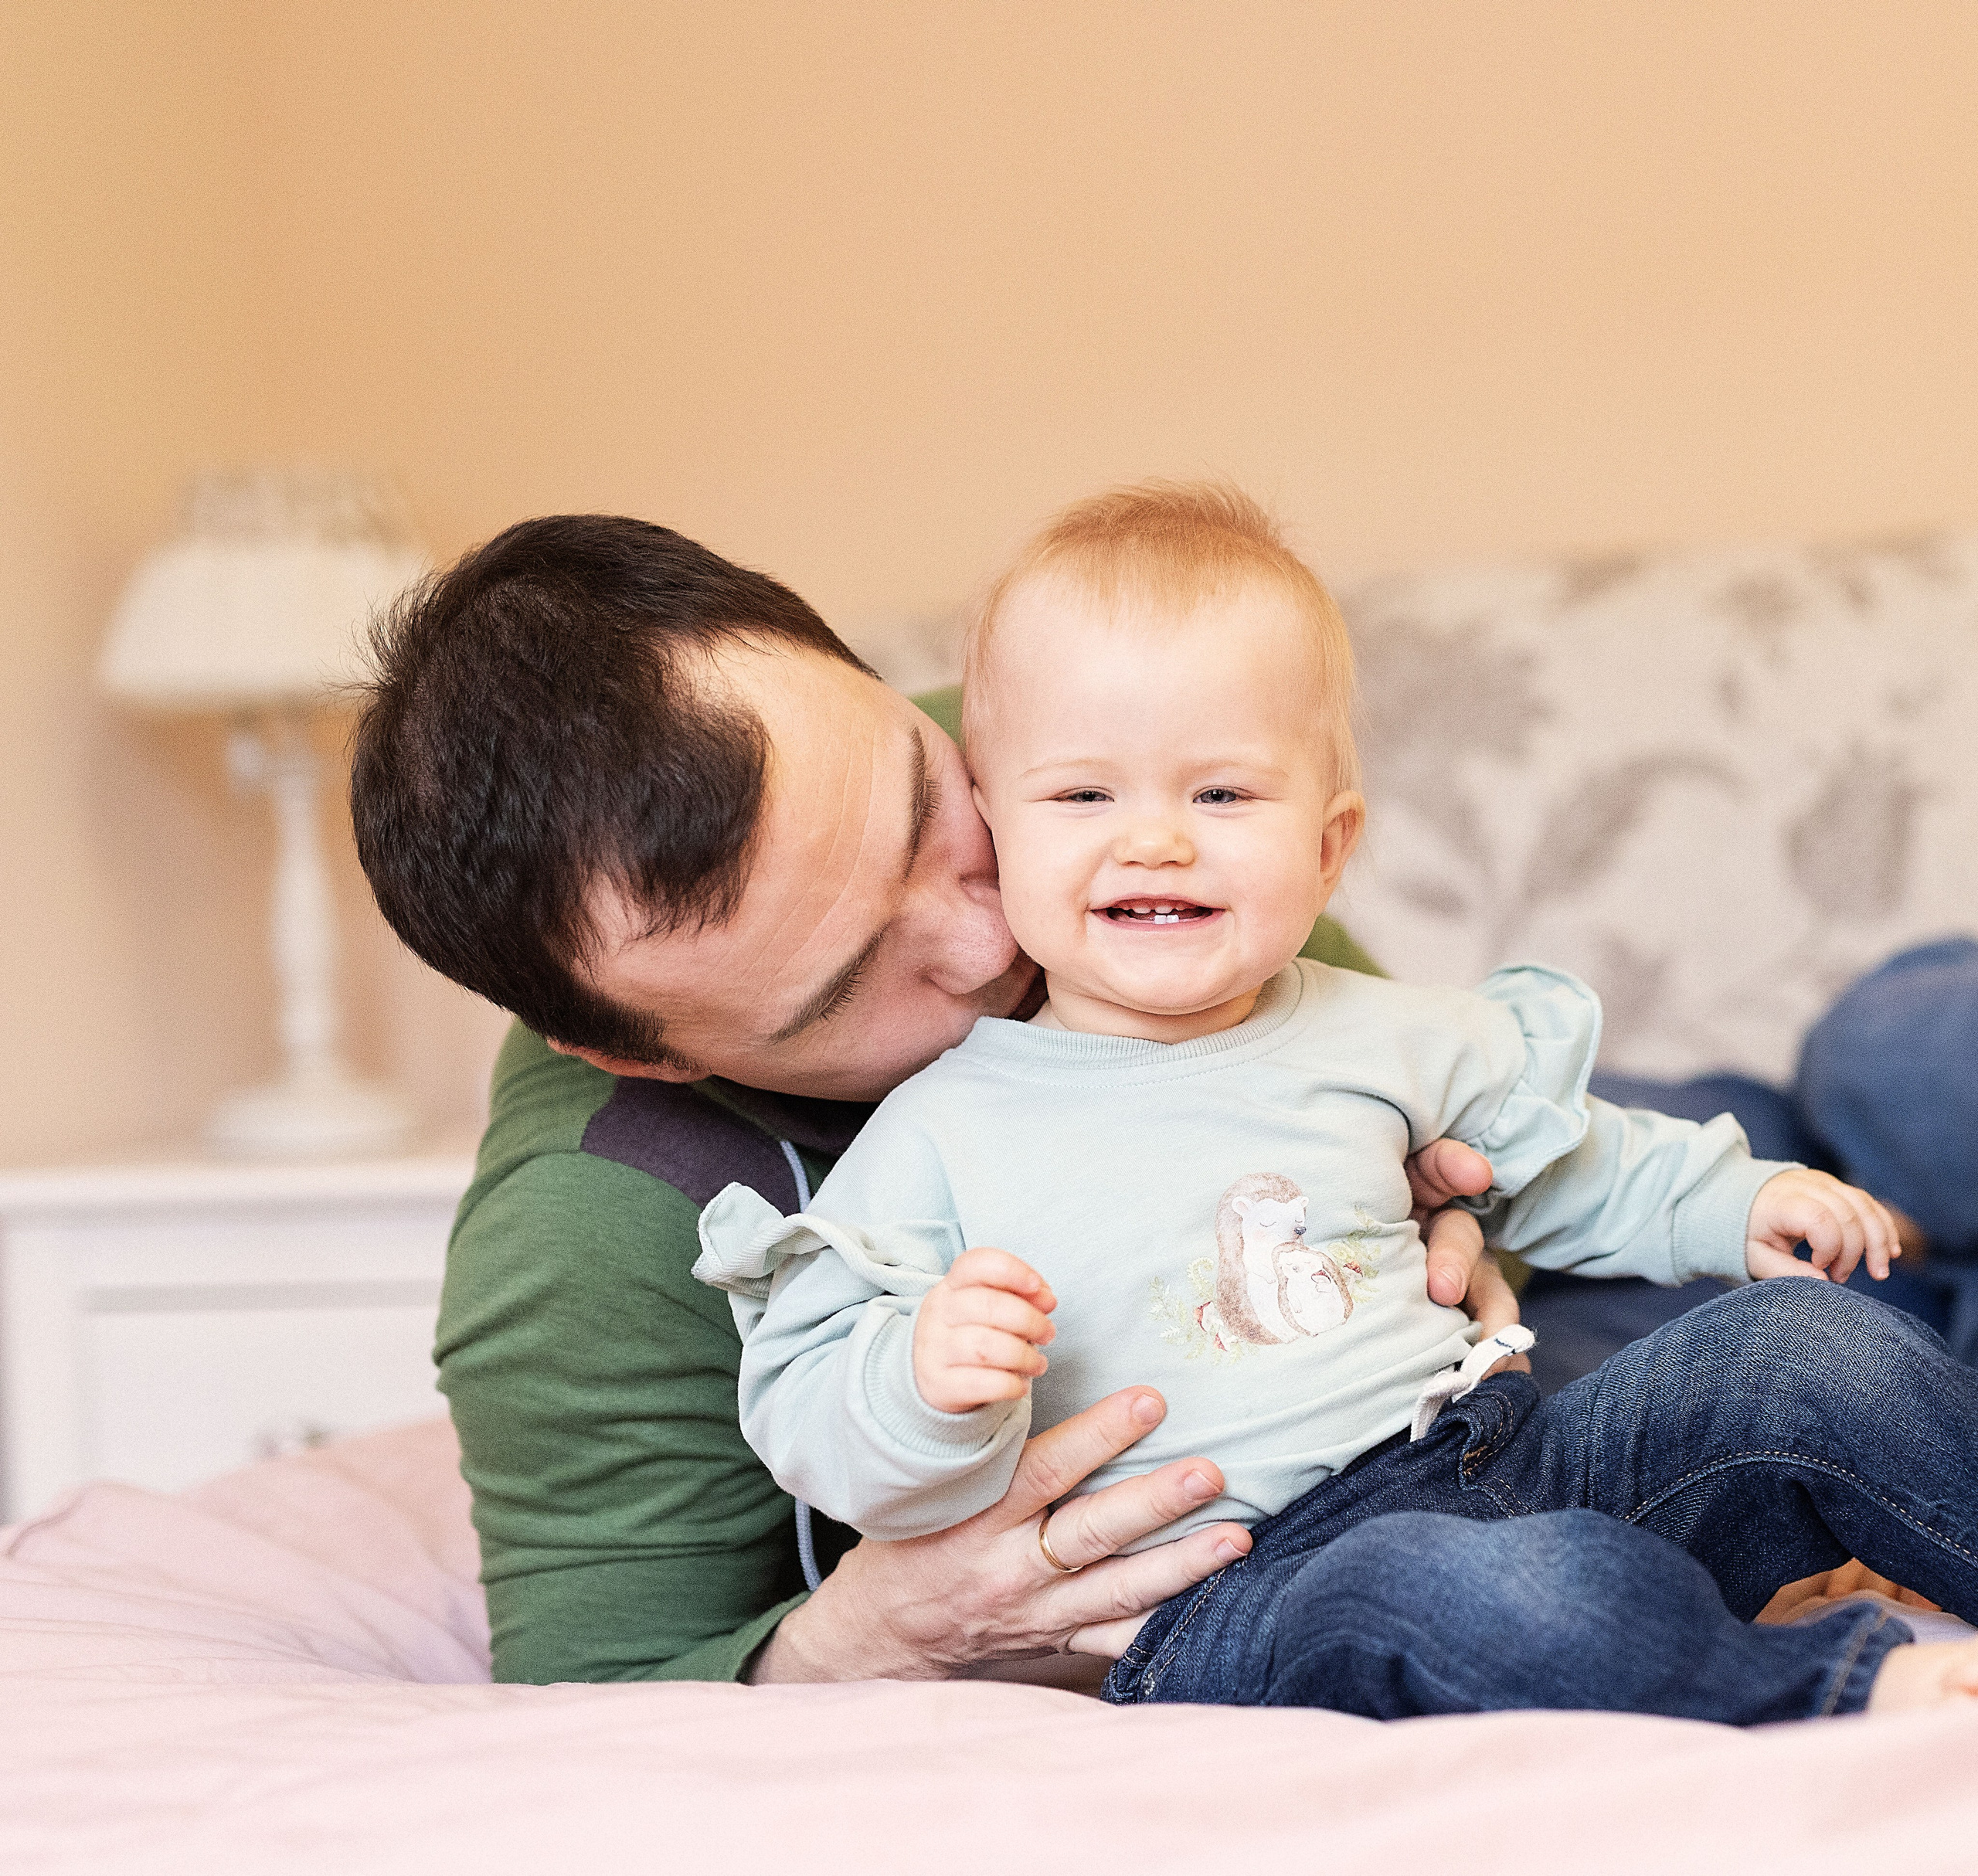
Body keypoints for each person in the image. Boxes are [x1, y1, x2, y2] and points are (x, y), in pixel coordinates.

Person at [694, 483, 1978, 1722]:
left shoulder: (1391, 1034)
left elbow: (1568, 1161)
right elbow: (807, 1398)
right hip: (1244, 1593)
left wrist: (1734, 1203)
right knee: (1501, 1593)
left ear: (1328, 844)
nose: (1155, 840)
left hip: (1507, 1458)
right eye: (1084, 794)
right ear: (994, 831)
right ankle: (1833, 1686)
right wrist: (923, 1385)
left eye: (1222, 793)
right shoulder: (941, 1130)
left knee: (1799, 1347)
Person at [349, 512, 1517, 1686]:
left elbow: (1373, 1046)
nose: (985, 932)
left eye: (928, 812)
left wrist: (1458, 1196)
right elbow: (585, 1703)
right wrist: (865, 1638)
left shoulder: (1075, 768)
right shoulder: (580, 1241)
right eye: (846, 986)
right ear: (647, 1057)